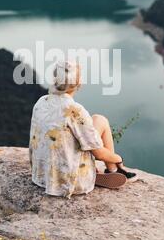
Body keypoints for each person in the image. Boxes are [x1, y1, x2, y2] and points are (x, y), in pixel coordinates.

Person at [29, 60, 137, 198]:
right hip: (68, 180)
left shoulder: (41, 102)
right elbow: (98, 153)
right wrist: (118, 158)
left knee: (98, 119)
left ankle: (112, 170)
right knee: (101, 122)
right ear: (79, 84)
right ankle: (113, 168)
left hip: (42, 176)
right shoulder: (75, 111)